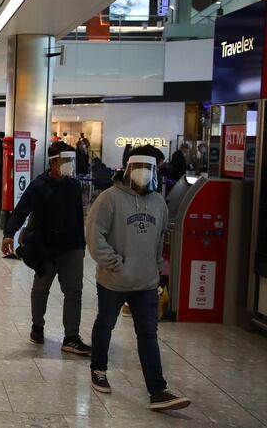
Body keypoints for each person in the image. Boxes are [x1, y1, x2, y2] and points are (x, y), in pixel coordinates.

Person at [86, 147, 191, 411]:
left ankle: (158, 390)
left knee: (148, 334)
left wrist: (156, 271)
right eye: (140, 168)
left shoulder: (158, 202)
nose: (144, 174)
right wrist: (114, 263)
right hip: (114, 281)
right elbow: (94, 236)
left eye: (150, 169)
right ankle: (98, 368)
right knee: (105, 324)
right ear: (129, 169)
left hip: (145, 284)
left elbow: (158, 241)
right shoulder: (109, 199)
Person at [1, 142, 91, 356]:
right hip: (45, 247)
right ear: (54, 162)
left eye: (72, 161)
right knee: (41, 289)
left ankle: (71, 337)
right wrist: (8, 234)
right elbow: (21, 210)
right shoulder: (39, 185)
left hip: (71, 246)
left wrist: (81, 244)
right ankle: (37, 326)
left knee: (74, 291)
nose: (70, 165)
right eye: (66, 160)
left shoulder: (73, 185)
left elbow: (79, 217)